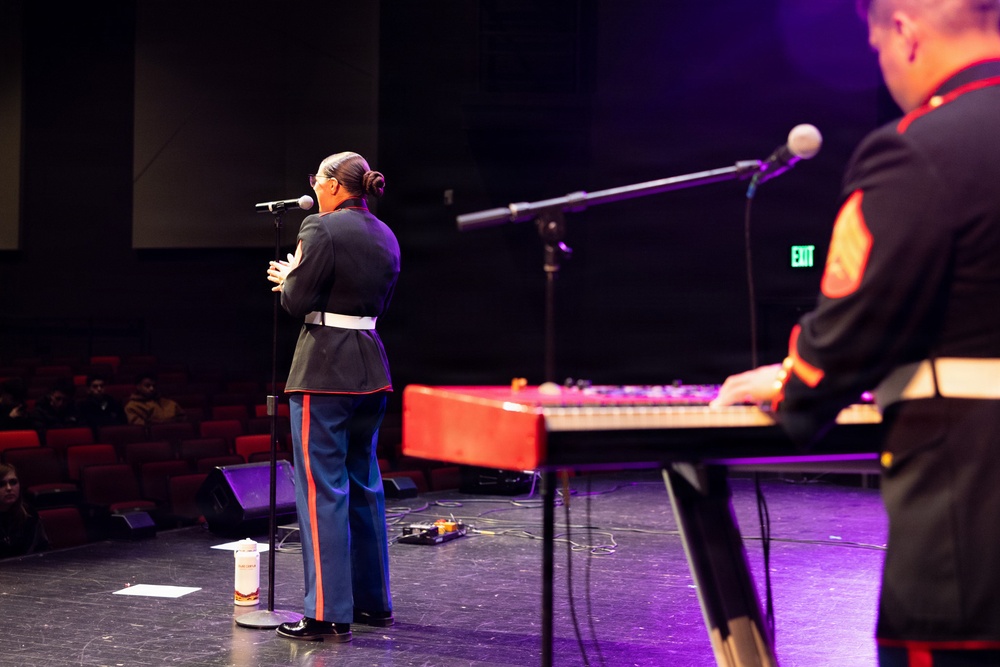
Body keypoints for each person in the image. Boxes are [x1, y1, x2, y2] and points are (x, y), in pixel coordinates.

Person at [712, 1, 1000, 665]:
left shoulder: (917, 152)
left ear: (903, 31)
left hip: (970, 568)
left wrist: (793, 379)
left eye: (875, 48)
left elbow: (831, 360)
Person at [265, 151, 399, 642]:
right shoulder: (385, 233)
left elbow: (297, 303)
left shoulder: (319, 229)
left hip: (324, 369)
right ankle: (373, 604)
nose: (314, 188)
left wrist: (288, 278)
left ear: (334, 186)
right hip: (370, 363)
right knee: (364, 483)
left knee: (321, 490)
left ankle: (325, 613)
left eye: (317, 179)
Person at [0, 463, 49, 559]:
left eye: (13, 482)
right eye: (1, 484)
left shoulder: (29, 514)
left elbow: (42, 548)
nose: (9, 488)